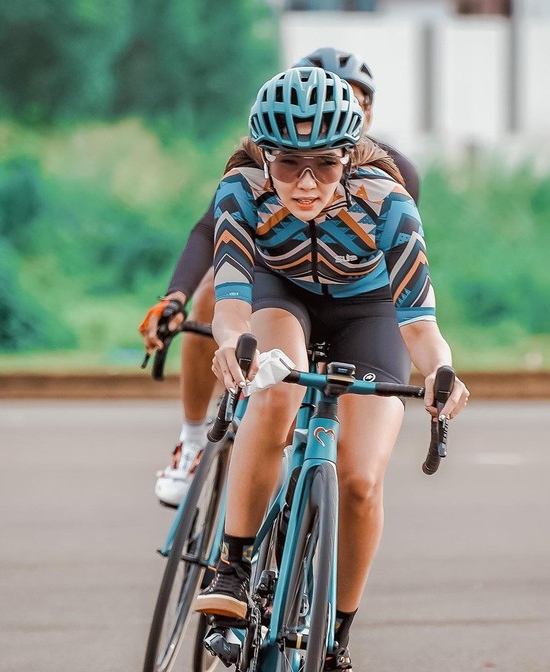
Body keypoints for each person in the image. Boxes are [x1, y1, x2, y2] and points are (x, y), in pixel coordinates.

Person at [189, 66, 469, 672]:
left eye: (324, 164)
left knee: (362, 479)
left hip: (370, 311)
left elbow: (421, 329)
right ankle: (234, 563)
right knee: (276, 392)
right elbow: (231, 305)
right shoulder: (241, 192)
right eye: (289, 163)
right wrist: (232, 347)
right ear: (265, 156)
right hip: (280, 297)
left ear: (350, 155)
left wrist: (442, 373)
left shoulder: (388, 203)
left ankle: (335, 647)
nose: (307, 183)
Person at [139, 47, 422, 509]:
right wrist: (174, 298)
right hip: (272, 275)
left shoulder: (394, 174)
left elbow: (398, 257)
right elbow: (210, 229)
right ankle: (191, 441)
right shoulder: (260, 161)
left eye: (355, 100)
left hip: (352, 292)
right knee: (212, 291)